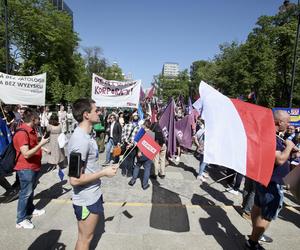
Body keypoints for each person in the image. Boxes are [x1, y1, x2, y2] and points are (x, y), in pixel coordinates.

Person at [68, 98, 117, 250]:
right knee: (85, 239)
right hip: (86, 199)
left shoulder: (87, 136)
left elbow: (87, 166)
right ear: (86, 115)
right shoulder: (80, 140)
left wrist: (105, 168)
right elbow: (75, 180)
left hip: (92, 194)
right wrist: (103, 172)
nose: (99, 113)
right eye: (96, 110)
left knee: (86, 238)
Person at [246, 110, 295, 250]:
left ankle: (256, 234)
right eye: (288, 121)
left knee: (258, 207)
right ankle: (252, 243)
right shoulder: (270, 137)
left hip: (265, 179)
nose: (289, 124)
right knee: (267, 215)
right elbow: (279, 159)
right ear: (280, 122)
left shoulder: (270, 134)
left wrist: (287, 148)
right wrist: (290, 146)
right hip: (272, 182)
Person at [13, 108, 50, 229]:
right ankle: (21, 219)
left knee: (30, 191)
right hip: (25, 168)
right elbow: (26, 153)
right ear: (33, 119)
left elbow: (32, 145)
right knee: (25, 193)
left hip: (33, 166)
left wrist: (43, 149)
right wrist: (42, 144)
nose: (40, 120)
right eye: (38, 118)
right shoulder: (22, 133)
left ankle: (30, 210)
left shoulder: (31, 130)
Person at [128, 120, 153, 190]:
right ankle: (145, 185)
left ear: (144, 125)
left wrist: (139, 151)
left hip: (141, 153)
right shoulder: (152, 134)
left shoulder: (142, 132)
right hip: (149, 154)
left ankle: (133, 180)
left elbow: (139, 143)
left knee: (137, 166)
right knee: (147, 169)